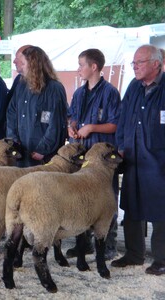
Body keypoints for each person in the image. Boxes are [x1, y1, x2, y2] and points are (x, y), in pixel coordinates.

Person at [111, 44, 165, 276]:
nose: (135, 67)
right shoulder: (133, 86)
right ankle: (134, 254)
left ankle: (162, 259)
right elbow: (123, 119)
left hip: (159, 160)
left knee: (161, 210)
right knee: (131, 205)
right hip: (133, 156)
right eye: (133, 63)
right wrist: (121, 147)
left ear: (156, 63)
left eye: (139, 62)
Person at [67, 48, 121, 260]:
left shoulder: (110, 93)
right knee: (81, 198)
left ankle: (108, 245)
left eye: (81, 65)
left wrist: (91, 128)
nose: (78, 69)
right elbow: (72, 116)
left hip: (101, 157)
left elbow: (115, 124)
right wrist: (71, 127)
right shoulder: (79, 93)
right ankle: (83, 244)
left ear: (94, 67)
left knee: (106, 200)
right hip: (82, 152)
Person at [6, 46, 68, 167]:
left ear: (34, 65)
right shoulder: (21, 85)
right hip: (22, 151)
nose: (20, 66)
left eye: (23, 63)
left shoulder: (54, 88)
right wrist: (13, 140)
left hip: (43, 155)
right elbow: (12, 112)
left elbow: (56, 123)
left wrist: (43, 149)